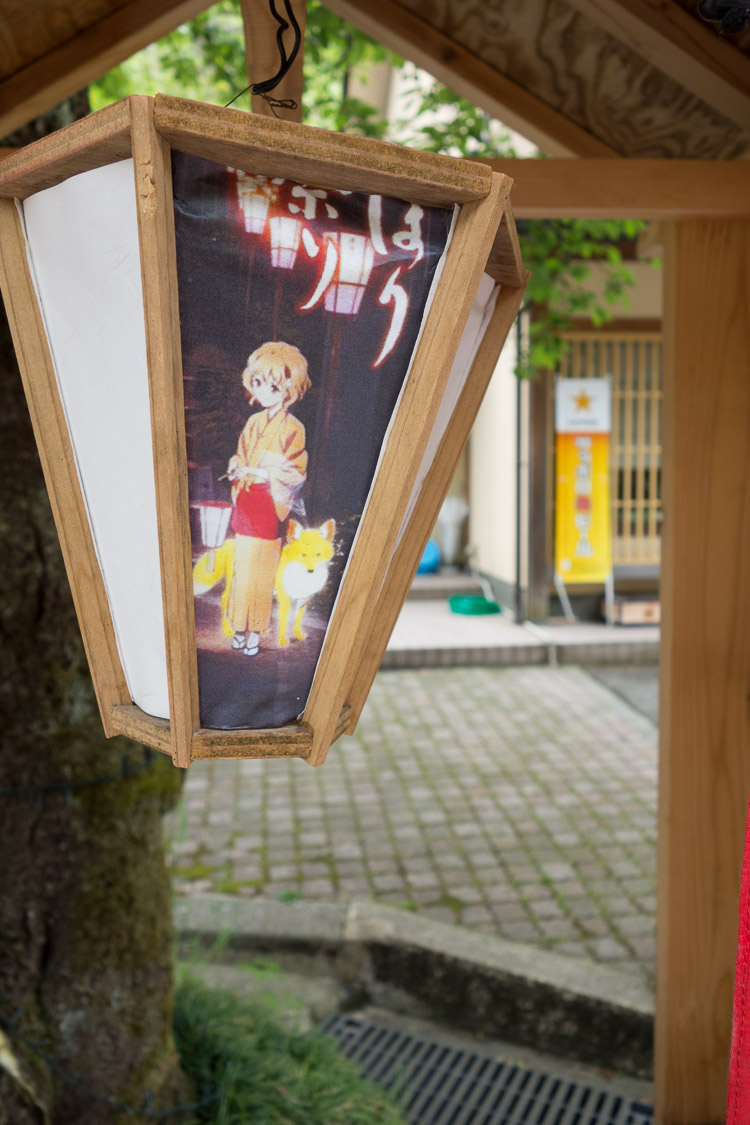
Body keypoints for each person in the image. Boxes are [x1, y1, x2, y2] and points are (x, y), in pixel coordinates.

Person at [226, 341, 310, 656]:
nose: (263, 391)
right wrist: (236, 465)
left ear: (289, 390)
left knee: (262, 574)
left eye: (273, 386)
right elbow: (240, 454)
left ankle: (255, 633)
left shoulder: (294, 428)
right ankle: (238, 627)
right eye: (258, 382)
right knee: (242, 571)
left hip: (269, 506)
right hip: (247, 503)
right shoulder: (253, 423)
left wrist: (260, 472)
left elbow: (296, 472)